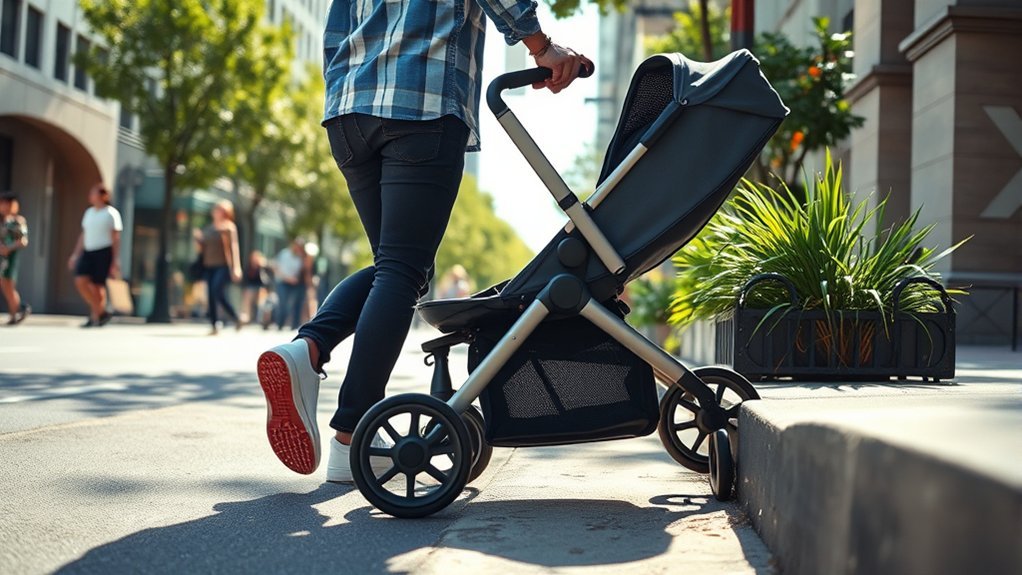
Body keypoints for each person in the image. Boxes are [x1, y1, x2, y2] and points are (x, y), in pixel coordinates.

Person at [256, 0, 590, 482]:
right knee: (401, 270)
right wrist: (541, 46)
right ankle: (351, 437)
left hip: (349, 110)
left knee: (396, 267)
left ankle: (309, 347)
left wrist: (342, 86)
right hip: (422, 103)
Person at [68, 184, 122, 328]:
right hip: (88, 251)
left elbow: (115, 237)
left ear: (104, 196)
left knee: (98, 287)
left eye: (94, 193)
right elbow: (83, 234)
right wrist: (75, 254)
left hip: (104, 251)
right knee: (80, 280)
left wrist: (115, 259)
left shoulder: (111, 213)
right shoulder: (89, 213)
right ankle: (101, 312)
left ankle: (95, 317)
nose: (91, 196)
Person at [195, 200, 242, 335]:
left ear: (226, 213)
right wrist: (198, 240)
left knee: (216, 291)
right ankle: (216, 324)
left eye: (220, 210)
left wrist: (236, 267)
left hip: (223, 265)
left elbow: (234, 247)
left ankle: (232, 318)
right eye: (216, 209)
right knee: (213, 294)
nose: (217, 212)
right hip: (209, 265)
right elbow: (201, 249)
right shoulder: (208, 228)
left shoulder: (229, 227)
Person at [0, 193, 30, 325]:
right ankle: (18, 310)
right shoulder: (2, 221)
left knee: (9, 285)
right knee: (4, 285)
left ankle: (15, 313)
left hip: (10, 256)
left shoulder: (18, 220)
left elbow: (23, 241)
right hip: (2, 256)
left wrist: (9, 247)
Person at [272, 238, 310, 331]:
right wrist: (287, 278)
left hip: (294, 283)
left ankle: (293, 325)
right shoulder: (284, 254)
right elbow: (277, 267)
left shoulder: (300, 258)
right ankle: (280, 324)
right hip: (282, 282)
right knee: (283, 303)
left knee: (293, 304)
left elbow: (303, 271)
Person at [240, 250, 272, 327]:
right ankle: (247, 317)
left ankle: (261, 319)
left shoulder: (263, 268)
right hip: (251, 288)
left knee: (261, 297)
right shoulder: (248, 267)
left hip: (261, 287)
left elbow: (266, 281)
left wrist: (261, 267)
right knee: (248, 294)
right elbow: (246, 280)